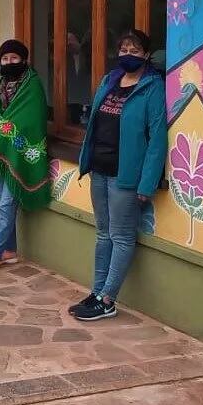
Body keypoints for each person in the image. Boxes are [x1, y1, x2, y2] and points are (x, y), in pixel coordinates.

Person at [70, 29, 166, 321]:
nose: (128, 55)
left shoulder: (152, 88)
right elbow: (95, 122)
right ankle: (97, 291)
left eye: (135, 51)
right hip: (99, 169)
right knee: (103, 235)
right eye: (124, 49)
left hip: (126, 176)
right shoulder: (109, 81)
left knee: (121, 236)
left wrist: (146, 183)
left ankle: (109, 299)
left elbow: (157, 140)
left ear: (147, 55)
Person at [0, 40, 51, 274]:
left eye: (14, 58)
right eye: (4, 59)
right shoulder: (1, 85)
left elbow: (30, 121)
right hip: (1, 150)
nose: (9, 63)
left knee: (7, 204)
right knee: (0, 202)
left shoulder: (32, 86)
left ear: (23, 60)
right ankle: (10, 250)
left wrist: (4, 132)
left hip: (18, 152)